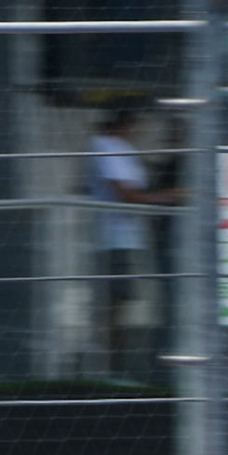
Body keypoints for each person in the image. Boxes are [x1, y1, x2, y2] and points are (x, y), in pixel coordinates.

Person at [87, 106, 182, 375]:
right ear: (127, 122)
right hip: (113, 240)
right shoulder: (107, 146)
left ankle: (114, 369)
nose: (142, 131)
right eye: (139, 125)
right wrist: (169, 197)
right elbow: (126, 195)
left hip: (128, 240)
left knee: (120, 307)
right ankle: (108, 371)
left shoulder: (123, 150)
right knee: (112, 308)